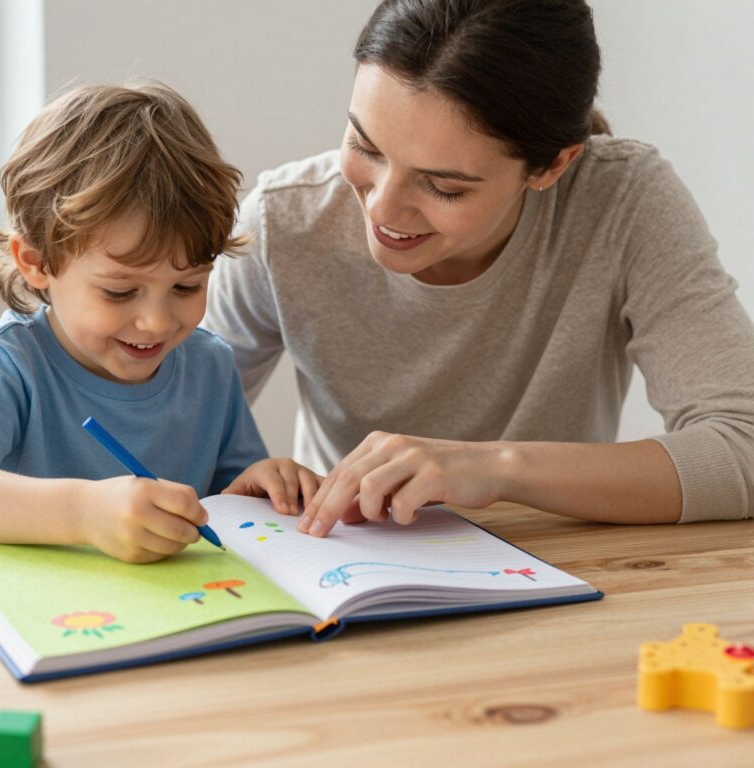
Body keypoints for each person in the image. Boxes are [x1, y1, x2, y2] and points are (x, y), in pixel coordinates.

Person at [204, 0, 754, 536]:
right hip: (351, 571)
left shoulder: (622, 203)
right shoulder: (284, 222)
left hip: (567, 580)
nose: (383, 209)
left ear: (552, 165)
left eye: (443, 186)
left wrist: (495, 469)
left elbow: (743, 444)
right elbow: (170, 435)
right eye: (365, 146)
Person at [0, 83, 321, 562]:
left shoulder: (210, 365)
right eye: (120, 292)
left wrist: (256, 487)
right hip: (43, 620)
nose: (156, 322)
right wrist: (84, 512)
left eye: (186, 287)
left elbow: (223, 511)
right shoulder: (3, 364)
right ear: (36, 262)